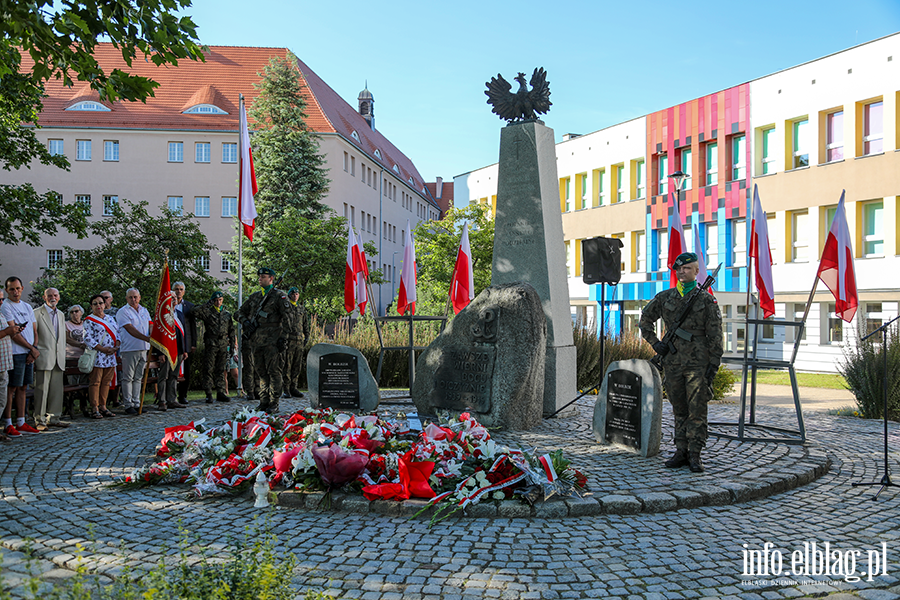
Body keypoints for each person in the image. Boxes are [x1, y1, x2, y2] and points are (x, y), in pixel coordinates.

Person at [639, 252, 723, 473]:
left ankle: (695, 454)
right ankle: (681, 451)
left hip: (698, 364)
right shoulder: (665, 297)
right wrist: (656, 344)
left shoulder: (706, 300)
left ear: (697, 271)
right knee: (679, 409)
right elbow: (645, 320)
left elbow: (715, 335)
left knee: (697, 410)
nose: (682, 272)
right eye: (679, 269)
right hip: (673, 362)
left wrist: (712, 366)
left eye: (687, 269)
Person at [236, 267, 289, 413]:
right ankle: (263, 401)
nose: (260, 279)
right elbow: (239, 312)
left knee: (274, 372)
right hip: (257, 341)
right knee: (261, 372)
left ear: (271, 279)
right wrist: (245, 322)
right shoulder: (255, 297)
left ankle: (274, 402)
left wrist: (283, 338)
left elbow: (287, 319)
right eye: (259, 277)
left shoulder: (279, 296)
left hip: (273, 341)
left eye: (263, 277)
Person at [1, 277, 41, 436]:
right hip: (16, 352)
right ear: (7, 291)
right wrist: (31, 348)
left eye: (17, 288)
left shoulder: (27, 306)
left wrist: (34, 349)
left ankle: (21, 421)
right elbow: (13, 333)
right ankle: (8, 423)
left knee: (24, 387)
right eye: (11, 289)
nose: (15, 292)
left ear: (22, 288)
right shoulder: (5, 306)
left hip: (29, 352)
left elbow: (34, 331)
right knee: (11, 388)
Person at [32, 287, 68, 429]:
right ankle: (39, 420)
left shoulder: (60, 314)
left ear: (59, 297)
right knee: (42, 390)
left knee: (56, 390)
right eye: (50, 295)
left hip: (58, 357)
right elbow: (34, 335)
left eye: (55, 295)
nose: (53, 297)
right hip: (44, 356)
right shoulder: (36, 313)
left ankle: (54, 418)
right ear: (44, 297)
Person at [193, 291, 236, 403]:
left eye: (220, 300)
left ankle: (220, 392)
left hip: (222, 343)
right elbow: (193, 312)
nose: (218, 302)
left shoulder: (226, 314)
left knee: (221, 369)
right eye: (216, 300)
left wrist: (232, 346)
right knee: (208, 368)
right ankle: (208, 392)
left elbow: (231, 331)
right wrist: (206, 305)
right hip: (211, 343)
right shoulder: (207, 312)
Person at [83, 293, 120, 419]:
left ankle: (103, 405)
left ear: (105, 304)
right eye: (95, 304)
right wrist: (102, 349)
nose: (98, 305)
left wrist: (116, 347)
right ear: (91, 306)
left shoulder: (110, 319)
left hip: (110, 355)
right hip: (98, 355)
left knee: (106, 382)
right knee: (95, 382)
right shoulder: (89, 320)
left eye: (100, 303)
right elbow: (87, 338)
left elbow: (118, 333)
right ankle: (94, 406)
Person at [116, 288, 152, 415]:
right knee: (128, 377)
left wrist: (153, 336)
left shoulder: (144, 310)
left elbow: (150, 324)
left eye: (135, 297)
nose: (133, 300)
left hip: (144, 348)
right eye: (130, 297)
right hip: (130, 348)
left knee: (138, 377)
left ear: (139, 297)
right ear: (126, 298)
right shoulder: (123, 312)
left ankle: (137, 402)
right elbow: (130, 329)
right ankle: (128, 404)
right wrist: (147, 338)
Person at [0, 291, 26, 441]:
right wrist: (7, 331)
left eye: (2, 299)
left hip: (3, 363)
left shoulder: (1, 314)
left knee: (2, 399)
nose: (1, 302)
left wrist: (14, 330)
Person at [155, 307, 188, 411]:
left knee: (174, 376)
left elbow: (184, 332)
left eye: (174, 298)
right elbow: (159, 334)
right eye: (171, 298)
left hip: (178, 349)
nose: (173, 300)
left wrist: (184, 350)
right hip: (166, 350)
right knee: (163, 376)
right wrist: (160, 352)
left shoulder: (179, 314)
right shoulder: (162, 313)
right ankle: (162, 401)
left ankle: (172, 400)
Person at [171, 281, 197, 404]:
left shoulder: (189, 306)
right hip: (171, 343)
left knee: (186, 371)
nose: (179, 291)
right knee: (171, 371)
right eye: (176, 289)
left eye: (181, 289)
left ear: (184, 291)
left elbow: (192, 327)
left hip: (185, 343)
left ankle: (183, 395)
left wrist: (193, 343)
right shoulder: (167, 305)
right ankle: (170, 396)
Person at [282, 286, 309, 398]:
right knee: (287, 365)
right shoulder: (286, 308)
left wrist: (307, 335)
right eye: (293, 294)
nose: (295, 296)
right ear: (289, 295)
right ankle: (286, 389)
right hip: (289, 340)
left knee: (297, 366)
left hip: (299, 341)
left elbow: (305, 324)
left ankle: (294, 387)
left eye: (297, 294)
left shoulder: (301, 309)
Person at [64, 304, 88, 419]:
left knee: (84, 384)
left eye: (76, 311)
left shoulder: (86, 324)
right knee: (72, 384)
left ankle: (84, 407)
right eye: (72, 312)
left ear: (81, 312)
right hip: (71, 357)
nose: (74, 314)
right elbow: (67, 338)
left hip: (84, 357)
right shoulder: (66, 325)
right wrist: (80, 345)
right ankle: (70, 408)